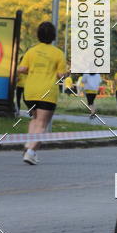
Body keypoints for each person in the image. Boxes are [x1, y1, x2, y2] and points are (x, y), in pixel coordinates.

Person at [17, 21, 68, 165]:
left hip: (30, 91)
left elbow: (22, 69)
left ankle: (29, 145)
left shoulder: (31, 51)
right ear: (53, 36)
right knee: (42, 123)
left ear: (38, 35)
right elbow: (61, 75)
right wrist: (67, 73)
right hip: (47, 92)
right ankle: (30, 151)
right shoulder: (58, 53)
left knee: (34, 119)